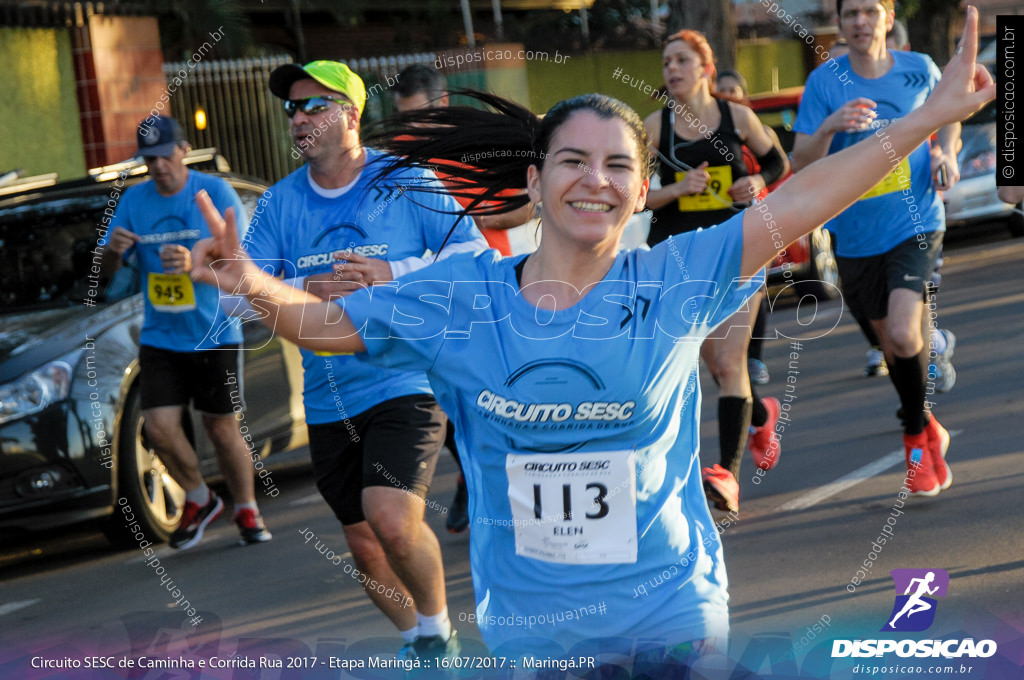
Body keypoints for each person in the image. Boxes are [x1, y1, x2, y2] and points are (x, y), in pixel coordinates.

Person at [190, 11, 991, 666]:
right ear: (534, 184)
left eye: (616, 166)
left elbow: (807, 195)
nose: (594, 180)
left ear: (643, 189)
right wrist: (249, 283)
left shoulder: (675, 276)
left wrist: (928, 116)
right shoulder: (462, 296)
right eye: (571, 161)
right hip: (533, 633)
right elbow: (327, 327)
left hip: (671, 614)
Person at [247, 60, 486, 657]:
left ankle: (439, 636)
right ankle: (422, 640)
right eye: (292, 109)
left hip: (404, 377)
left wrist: (391, 273)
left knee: (392, 516)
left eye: (314, 105)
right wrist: (265, 288)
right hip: (328, 394)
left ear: (351, 114)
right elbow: (242, 295)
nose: (299, 118)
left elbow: (473, 260)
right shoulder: (279, 205)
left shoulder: (405, 179)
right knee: (365, 545)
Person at [791, 0, 964, 496]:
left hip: (916, 223)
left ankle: (913, 436)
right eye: (851, 15)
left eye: (870, 11)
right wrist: (830, 126)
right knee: (891, 345)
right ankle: (926, 424)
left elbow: (949, 114)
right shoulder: (825, 83)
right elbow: (801, 160)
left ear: (888, 18)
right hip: (854, 235)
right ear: (841, 24)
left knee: (907, 334)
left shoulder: (919, 70)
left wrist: (945, 151)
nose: (860, 22)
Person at [99, 115, 270, 549]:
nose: (157, 167)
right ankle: (199, 497)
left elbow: (243, 264)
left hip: (215, 332)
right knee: (158, 430)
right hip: (161, 335)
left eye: (164, 156)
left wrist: (199, 267)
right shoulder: (134, 202)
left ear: (183, 150)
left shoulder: (212, 193)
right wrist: (113, 255)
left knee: (221, 427)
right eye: (148, 159)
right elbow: (105, 281)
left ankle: (246, 508)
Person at [643, 30, 790, 512]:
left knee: (729, 364)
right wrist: (677, 190)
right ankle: (756, 416)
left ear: (706, 68)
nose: (672, 69)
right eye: (667, 62)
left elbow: (776, 162)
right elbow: (635, 195)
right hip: (678, 255)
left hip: (738, 248)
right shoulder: (651, 127)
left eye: (682, 60)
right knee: (702, 364)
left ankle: (725, 474)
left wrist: (755, 182)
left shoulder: (737, 116)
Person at [393, 63, 535, 534]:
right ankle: (475, 476)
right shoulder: (395, 160)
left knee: (495, 395)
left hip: (483, 290)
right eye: (403, 120)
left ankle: (508, 484)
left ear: (443, 104)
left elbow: (525, 205)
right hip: (427, 296)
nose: (412, 131)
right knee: (443, 395)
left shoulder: (472, 149)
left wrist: (471, 221)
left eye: (419, 119)